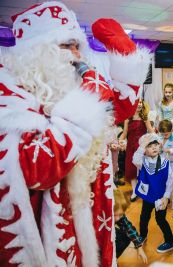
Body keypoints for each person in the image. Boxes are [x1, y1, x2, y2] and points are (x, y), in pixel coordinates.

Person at [0, 2, 151, 265]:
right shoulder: (9, 97)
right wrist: (89, 97)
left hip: (92, 213)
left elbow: (120, 109)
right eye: (65, 46)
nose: (76, 55)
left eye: (77, 46)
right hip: (49, 227)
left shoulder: (76, 85)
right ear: (38, 51)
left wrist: (125, 57)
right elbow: (38, 170)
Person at [133, 133, 173, 253]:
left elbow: (170, 181)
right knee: (144, 217)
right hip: (148, 197)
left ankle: (170, 241)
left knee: (161, 220)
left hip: (160, 198)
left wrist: (166, 197)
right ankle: (142, 235)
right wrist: (141, 147)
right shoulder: (142, 161)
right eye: (149, 145)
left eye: (156, 144)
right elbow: (135, 159)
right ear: (144, 149)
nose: (154, 147)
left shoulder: (165, 162)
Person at [120, 99, 154, 201]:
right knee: (131, 169)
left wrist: (157, 139)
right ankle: (135, 190)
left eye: (141, 103)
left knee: (143, 169)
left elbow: (151, 131)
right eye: (137, 103)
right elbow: (124, 134)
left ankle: (144, 189)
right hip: (130, 147)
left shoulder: (145, 118)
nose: (139, 104)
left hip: (142, 148)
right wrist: (119, 141)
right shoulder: (127, 119)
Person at [113, 189, 147, 262]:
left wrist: (139, 247)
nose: (118, 218)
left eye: (121, 214)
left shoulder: (119, 216)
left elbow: (128, 227)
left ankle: (113, 258)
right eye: (115, 215)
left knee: (126, 235)